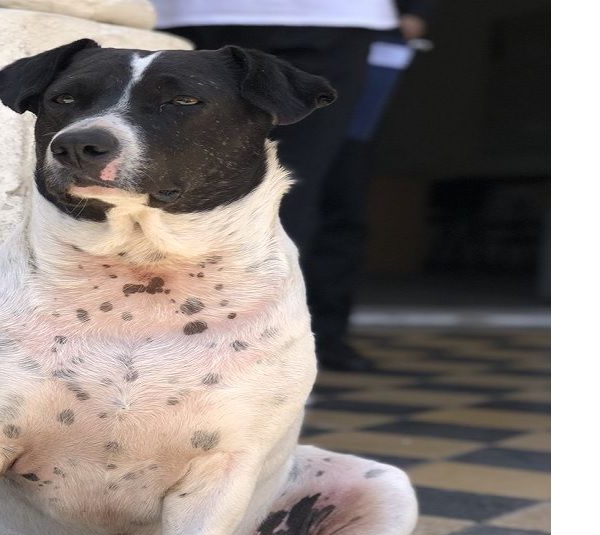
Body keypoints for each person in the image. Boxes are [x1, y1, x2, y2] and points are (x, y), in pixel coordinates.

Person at [152, 1, 436, 372]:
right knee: (173, 183)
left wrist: (419, 9)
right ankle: (173, 333)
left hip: (327, 22)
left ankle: (280, 342)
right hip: (190, 19)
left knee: (299, 185)